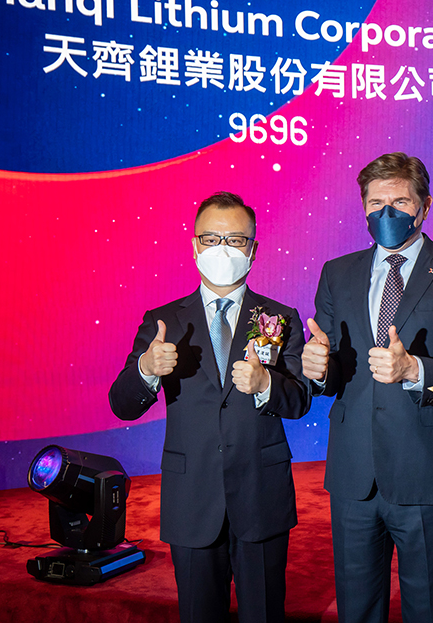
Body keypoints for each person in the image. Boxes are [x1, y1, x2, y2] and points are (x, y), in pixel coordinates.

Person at [301, 152, 433, 623]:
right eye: (375, 203)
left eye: (400, 202)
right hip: (353, 472)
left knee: (426, 607)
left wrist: (414, 371)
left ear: (425, 206)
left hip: (424, 468)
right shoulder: (336, 272)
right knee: (356, 609)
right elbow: (330, 371)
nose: (386, 212)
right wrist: (317, 367)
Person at [109, 191, 310, 623]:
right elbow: (122, 404)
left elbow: (300, 400)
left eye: (235, 240)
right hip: (192, 499)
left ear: (253, 249)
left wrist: (265, 384)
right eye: (211, 238)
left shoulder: (281, 317)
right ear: (195, 245)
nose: (222, 249)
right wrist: (146, 369)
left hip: (261, 495)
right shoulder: (163, 321)